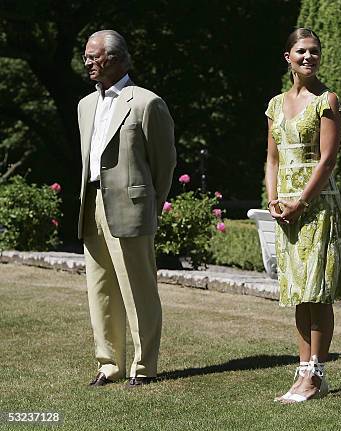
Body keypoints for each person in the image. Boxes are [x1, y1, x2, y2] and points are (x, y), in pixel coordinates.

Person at [77, 30, 176, 388]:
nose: (87, 62)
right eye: (86, 56)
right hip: (92, 204)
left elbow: (164, 163)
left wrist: (151, 204)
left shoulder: (147, 103)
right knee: (99, 288)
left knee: (138, 289)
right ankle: (109, 364)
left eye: (94, 56)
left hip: (132, 207)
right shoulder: (85, 105)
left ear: (116, 59)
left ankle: (143, 366)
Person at [264, 28, 341, 403]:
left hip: (317, 207)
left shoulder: (326, 100)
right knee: (298, 293)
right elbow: (272, 158)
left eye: (315, 51)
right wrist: (273, 201)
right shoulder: (275, 104)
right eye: (301, 51)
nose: (309, 57)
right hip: (285, 209)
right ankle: (302, 373)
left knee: (318, 292)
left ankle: (316, 374)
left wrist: (301, 201)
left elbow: (328, 160)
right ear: (288, 57)